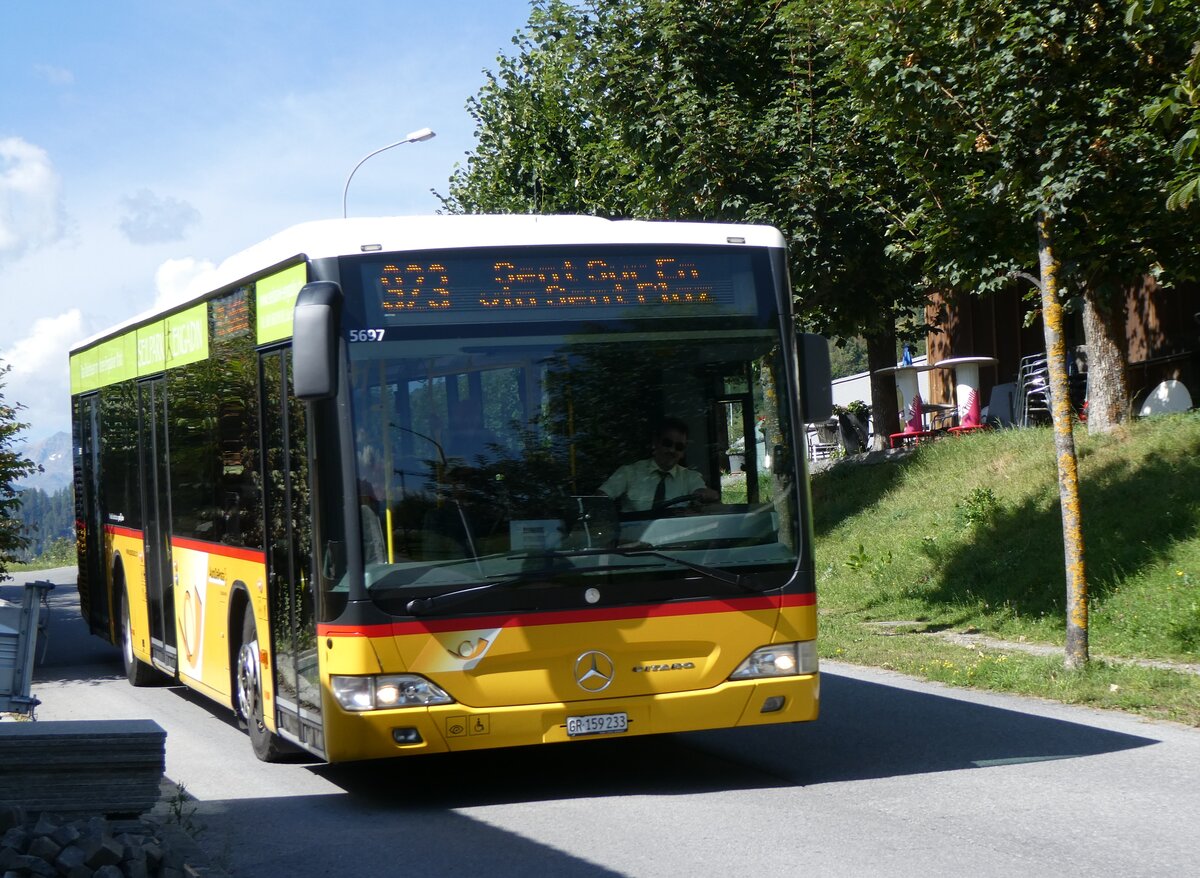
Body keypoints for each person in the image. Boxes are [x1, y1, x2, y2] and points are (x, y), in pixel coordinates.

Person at [598, 417, 720, 514]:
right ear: (655, 443)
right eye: (667, 443)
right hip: (632, 540)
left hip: (675, 541)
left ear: (683, 452)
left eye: (679, 447)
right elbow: (598, 500)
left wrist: (708, 495)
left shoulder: (690, 478)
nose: (672, 450)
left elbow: (701, 492)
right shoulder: (628, 473)